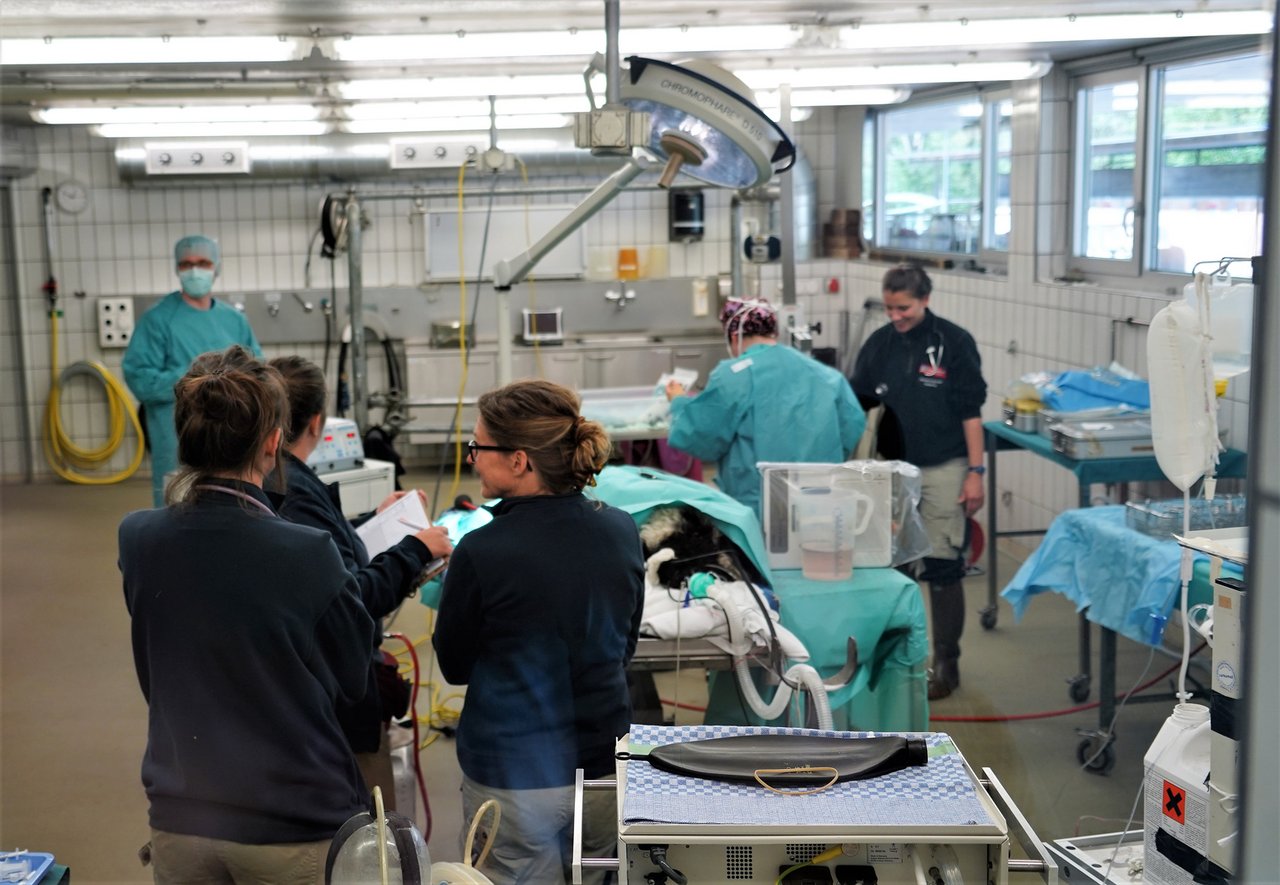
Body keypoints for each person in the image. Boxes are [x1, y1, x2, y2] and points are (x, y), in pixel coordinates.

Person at [118, 345, 373, 882]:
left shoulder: (138, 538)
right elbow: (354, 676)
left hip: (181, 816)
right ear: (274, 443)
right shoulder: (308, 552)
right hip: (290, 821)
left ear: (185, 438)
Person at [432, 379, 644, 885]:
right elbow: (624, 647)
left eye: (478, 447)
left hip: (513, 777)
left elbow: (455, 666)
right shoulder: (620, 529)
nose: (472, 459)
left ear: (519, 460)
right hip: (604, 769)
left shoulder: (480, 551)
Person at [267, 355, 453, 809]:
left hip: (302, 692)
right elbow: (352, 596)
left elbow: (324, 549)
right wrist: (415, 551)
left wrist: (372, 521)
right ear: (317, 422)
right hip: (336, 700)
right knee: (369, 827)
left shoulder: (283, 480)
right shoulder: (293, 490)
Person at [850, 265, 988, 701]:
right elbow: (857, 406)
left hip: (944, 466)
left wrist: (976, 473)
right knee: (893, 565)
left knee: (943, 565)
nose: (895, 316)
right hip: (890, 469)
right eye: (889, 308)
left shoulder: (954, 342)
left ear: (925, 299)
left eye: (903, 308)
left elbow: (971, 413)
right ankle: (896, 659)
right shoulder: (879, 344)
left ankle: (946, 662)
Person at [664, 297, 866, 518]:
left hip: (758, 506)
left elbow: (700, 436)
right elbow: (852, 423)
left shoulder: (733, 376)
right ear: (774, 333)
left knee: (761, 540)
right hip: (818, 501)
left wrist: (678, 401)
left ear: (734, 336)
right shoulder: (825, 375)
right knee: (811, 539)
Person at [124, 234, 262, 507]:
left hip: (232, 431)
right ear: (177, 268)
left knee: (232, 505)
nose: (195, 270)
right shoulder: (158, 319)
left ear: (216, 267)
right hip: (176, 433)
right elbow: (140, 378)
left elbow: (258, 372)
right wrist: (194, 381)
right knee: (178, 503)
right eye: (186, 264)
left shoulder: (234, 320)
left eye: (203, 263)